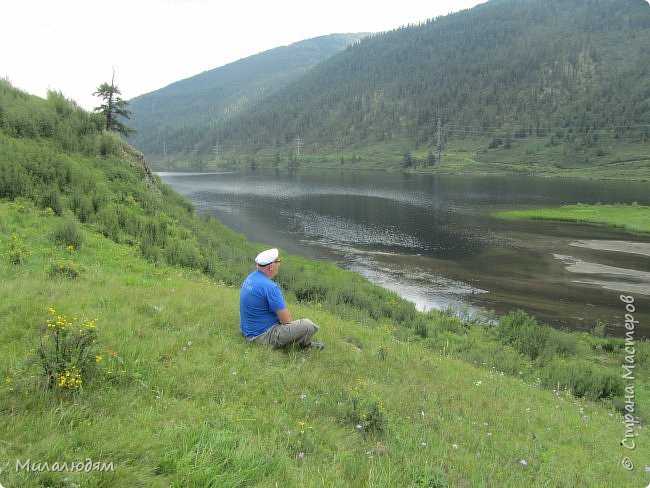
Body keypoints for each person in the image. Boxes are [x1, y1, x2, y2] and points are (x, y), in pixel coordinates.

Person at [239, 248, 324, 350]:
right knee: (307, 325)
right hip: (261, 337)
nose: (279, 264)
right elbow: (286, 320)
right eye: (278, 261)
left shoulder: (250, 277)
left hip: (247, 330)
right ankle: (306, 345)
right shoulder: (270, 287)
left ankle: (301, 342)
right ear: (271, 266)